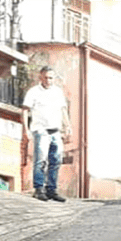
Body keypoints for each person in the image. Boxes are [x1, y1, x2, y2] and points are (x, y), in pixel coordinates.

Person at [22, 66, 72, 202]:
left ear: (54, 78)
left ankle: (51, 189)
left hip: (56, 130)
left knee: (56, 160)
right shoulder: (33, 92)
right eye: (45, 77)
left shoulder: (57, 92)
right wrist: (26, 129)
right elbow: (25, 110)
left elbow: (63, 109)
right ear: (40, 77)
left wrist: (68, 126)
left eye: (51, 78)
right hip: (41, 130)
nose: (48, 80)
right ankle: (39, 189)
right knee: (41, 160)